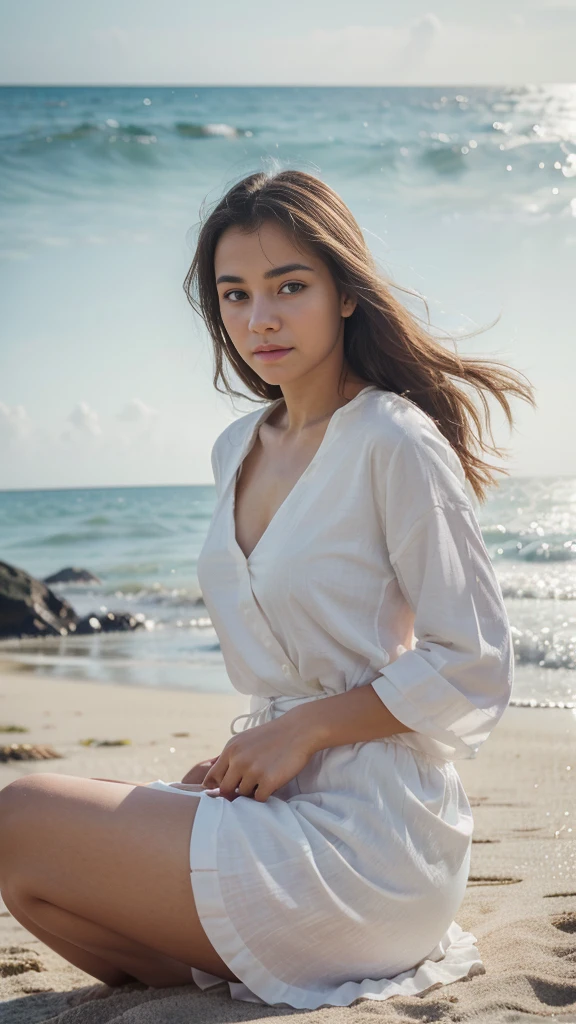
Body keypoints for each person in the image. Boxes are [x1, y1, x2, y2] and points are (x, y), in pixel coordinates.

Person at [0, 169, 535, 1011]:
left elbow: (475, 662)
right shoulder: (235, 447)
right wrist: (251, 755)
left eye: (290, 286)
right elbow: (291, 654)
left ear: (345, 292)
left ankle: (303, 945)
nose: (262, 319)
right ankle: (269, 955)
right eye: (235, 295)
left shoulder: (394, 439)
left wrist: (306, 730)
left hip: (375, 834)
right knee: (34, 887)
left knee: (22, 813)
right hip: (279, 799)